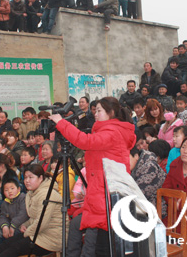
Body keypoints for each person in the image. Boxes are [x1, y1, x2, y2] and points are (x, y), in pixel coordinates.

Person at [50, 97, 135, 255]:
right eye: (95, 110)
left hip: (106, 192)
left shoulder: (113, 132)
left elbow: (84, 141)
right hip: (102, 188)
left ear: (111, 113)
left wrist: (61, 123)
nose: (95, 114)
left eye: (99, 111)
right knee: (97, 240)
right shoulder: (110, 130)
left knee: (98, 244)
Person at [0, 178, 28, 243]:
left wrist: (13, 225)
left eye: (12, 188)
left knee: (16, 234)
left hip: (22, 225)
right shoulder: (5, 203)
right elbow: (3, 216)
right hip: (10, 225)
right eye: (6, 190)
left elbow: (23, 214)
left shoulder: (23, 198)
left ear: (18, 189)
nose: (10, 191)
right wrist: (5, 226)